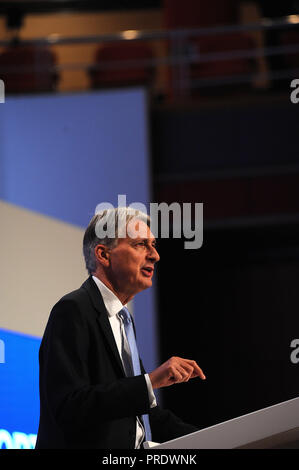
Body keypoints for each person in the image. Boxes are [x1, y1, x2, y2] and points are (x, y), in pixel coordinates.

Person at [36, 207, 206, 449]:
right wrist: (150, 381)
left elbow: (143, 417)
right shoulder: (73, 310)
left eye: (154, 244)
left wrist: (219, 437)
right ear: (104, 255)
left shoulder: (123, 320)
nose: (155, 255)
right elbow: (69, 405)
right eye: (140, 245)